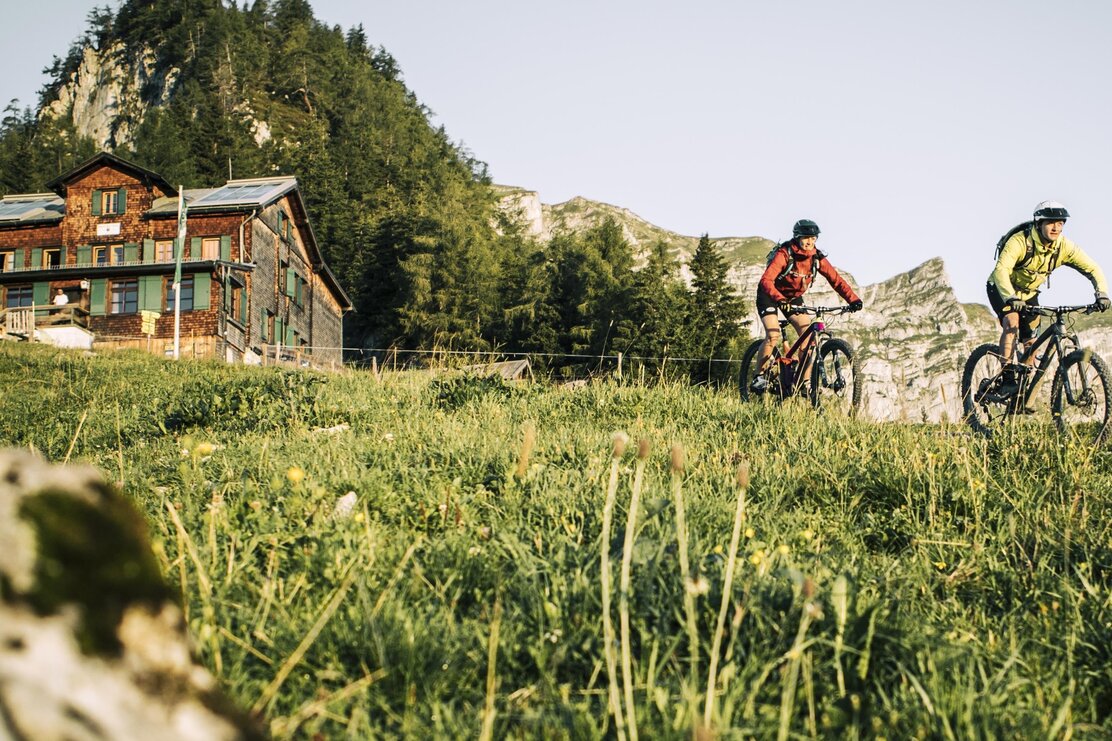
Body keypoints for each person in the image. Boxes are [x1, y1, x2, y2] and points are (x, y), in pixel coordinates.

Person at [987, 201, 1110, 396]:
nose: (1056, 228)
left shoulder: (1064, 247)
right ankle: (1008, 378)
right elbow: (1001, 270)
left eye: (1060, 223)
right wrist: (1010, 298)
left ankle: (1023, 389)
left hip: (1029, 293)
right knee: (1012, 322)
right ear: (1039, 224)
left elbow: (1092, 268)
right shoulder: (1020, 242)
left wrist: (1101, 293)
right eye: (1051, 223)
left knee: (1031, 341)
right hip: (1002, 289)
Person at [750, 219, 863, 392]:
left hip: (793, 298)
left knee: (809, 338)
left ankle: (803, 382)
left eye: (813, 238)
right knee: (773, 334)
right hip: (769, 295)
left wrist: (853, 300)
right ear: (797, 238)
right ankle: (759, 377)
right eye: (806, 238)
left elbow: (836, 281)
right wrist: (779, 299)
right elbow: (766, 280)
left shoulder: (817, 258)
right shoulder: (785, 254)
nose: (810, 242)